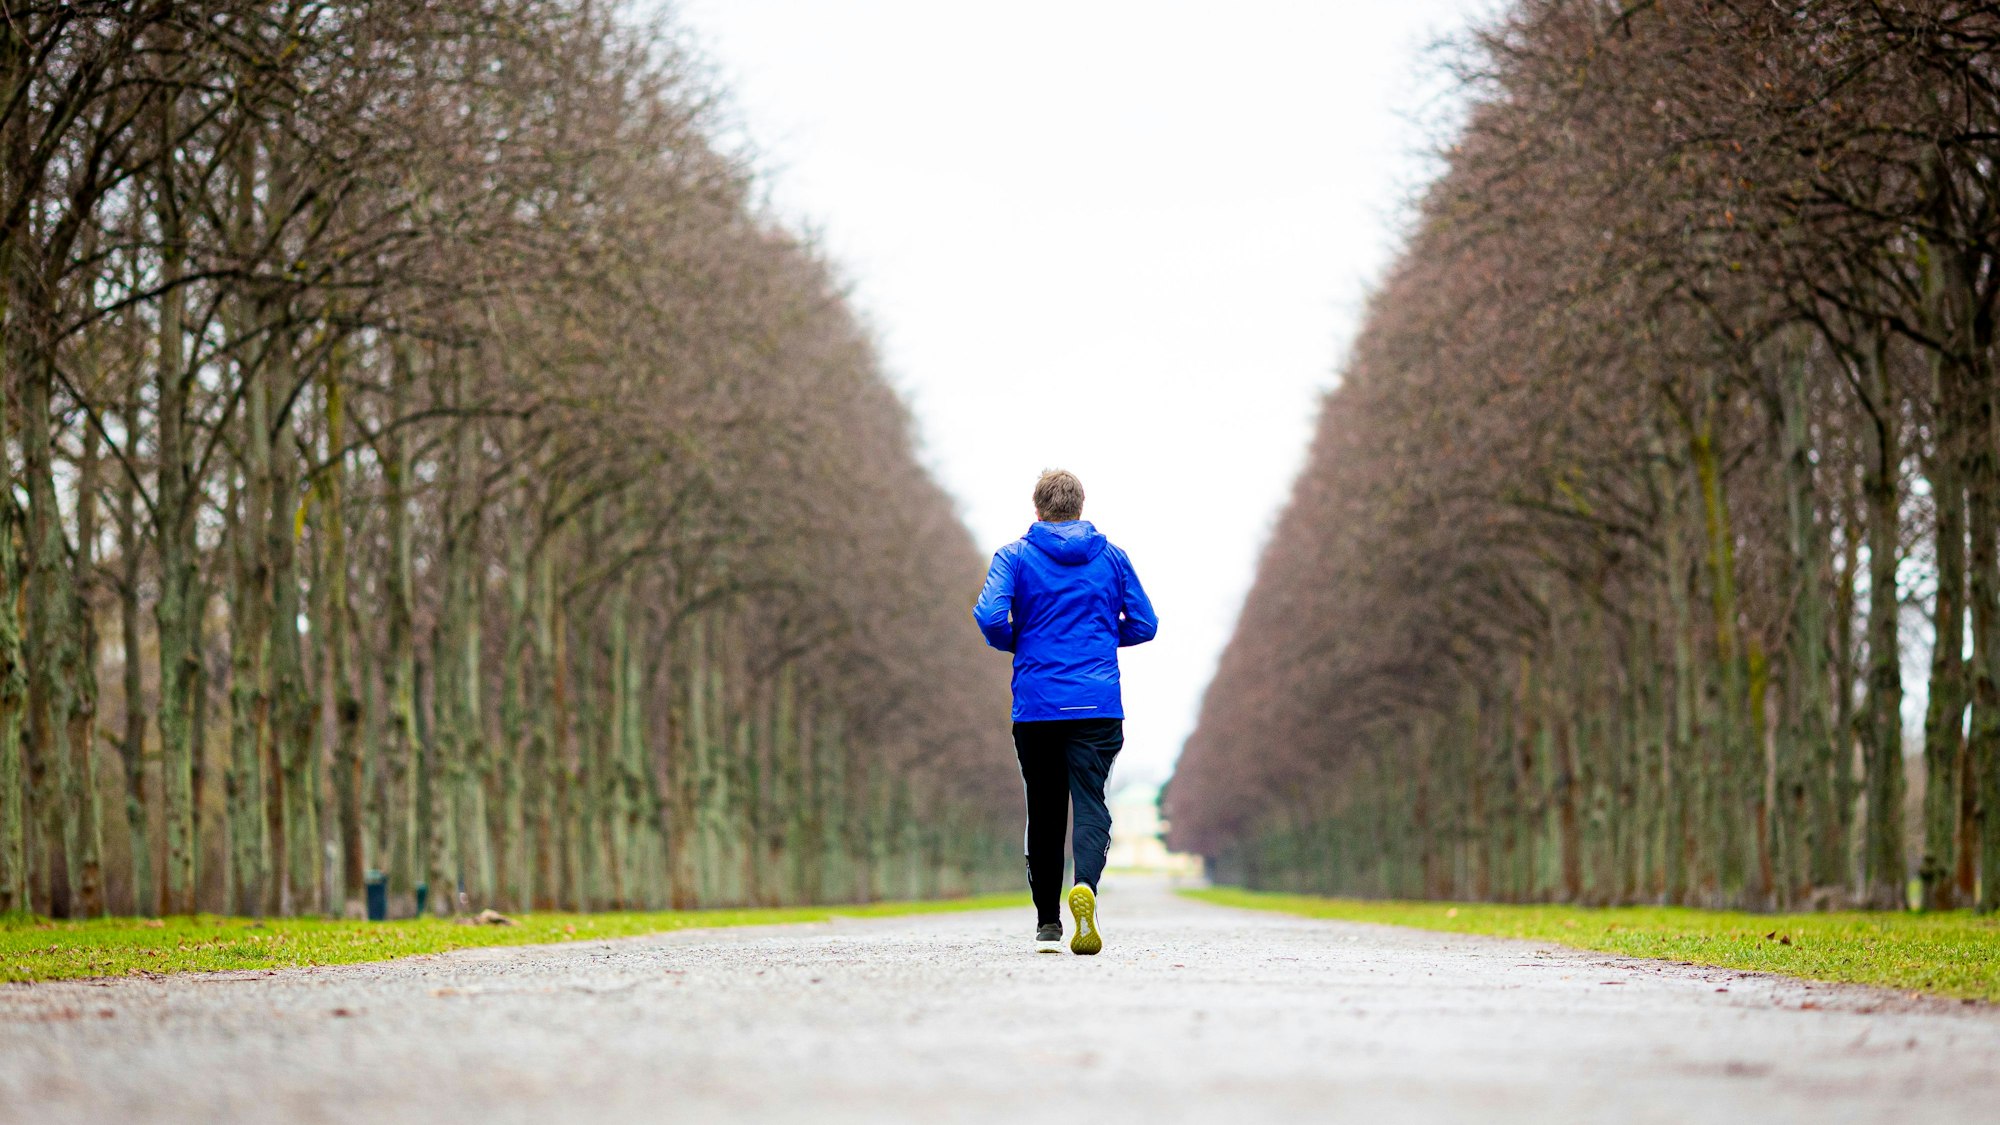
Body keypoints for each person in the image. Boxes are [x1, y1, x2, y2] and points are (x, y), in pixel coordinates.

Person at [974, 469, 1157, 954]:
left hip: (1037, 705)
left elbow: (991, 616)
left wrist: (1023, 640)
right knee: (1092, 801)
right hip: (1097, 703)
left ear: (1037, 510)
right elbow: (1145, 623)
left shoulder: (1013, 557)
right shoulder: (1112, 558)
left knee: (1046, 810)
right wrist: (1097, 634)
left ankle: (1048, 925)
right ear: (1080, 507)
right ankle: (1088, 889)